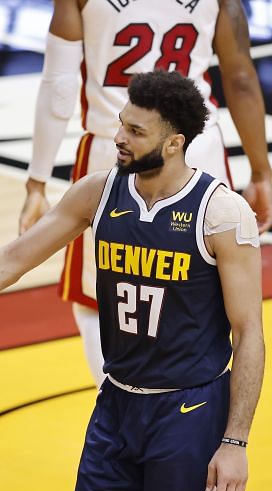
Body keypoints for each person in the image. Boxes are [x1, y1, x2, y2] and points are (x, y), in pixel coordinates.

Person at [0, 71, 263, 491]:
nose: (118, 137)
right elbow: (11, 259)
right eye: (121, 123)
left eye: (135, 132)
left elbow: (250, 333)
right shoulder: (97, 192)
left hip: (189, 415)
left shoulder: (220, 213)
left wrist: (235, 442)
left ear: (175, 142)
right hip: (116, 404)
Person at [19, 0, 272, 386]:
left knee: (97, 296)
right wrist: (260, 170)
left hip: (116, 149)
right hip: (195, 150)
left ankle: (116, 398)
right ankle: (197, 405)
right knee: (209, 288)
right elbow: (239, 80)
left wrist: (37, 182)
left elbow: (59, 84)